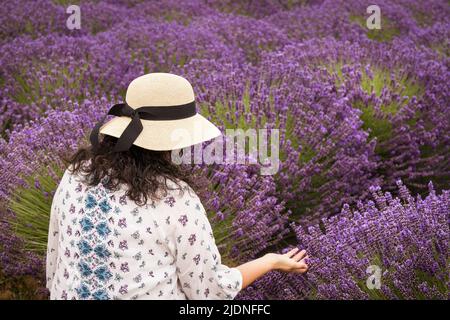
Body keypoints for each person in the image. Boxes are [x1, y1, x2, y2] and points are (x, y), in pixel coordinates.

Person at [46, 72, 308, 300]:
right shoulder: (173, 198)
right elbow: (209, 292)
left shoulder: (76, 173)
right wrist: (269, 261)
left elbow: (54, 262)